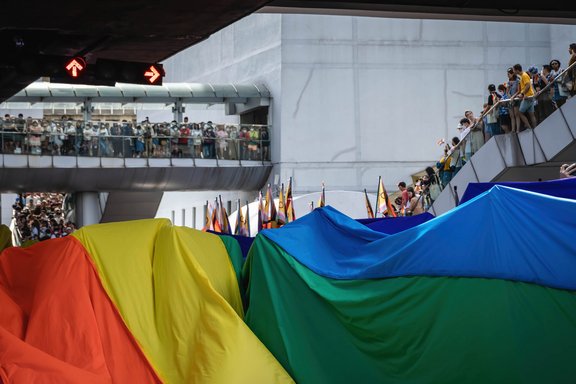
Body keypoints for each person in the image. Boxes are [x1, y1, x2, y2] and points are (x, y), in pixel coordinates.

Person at [512, 63, 537, 129]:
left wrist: (522, 94)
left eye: (514, 70)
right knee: (531, 114)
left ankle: (529, 128)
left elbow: (528, 85)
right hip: (530, 96)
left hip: (527, 97)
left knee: (520, 113)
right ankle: (534, 128)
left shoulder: (524, 75)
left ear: (517, 70)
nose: (513, 72)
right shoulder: (522, 76)